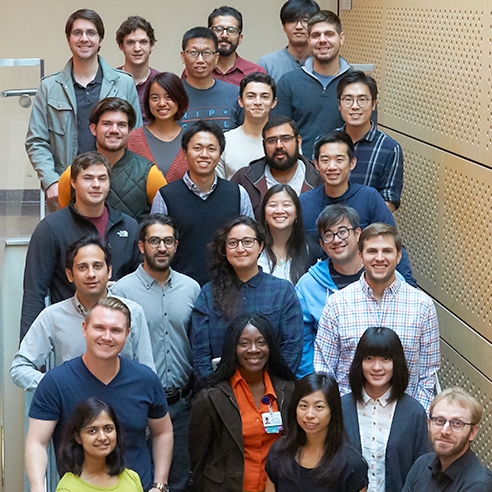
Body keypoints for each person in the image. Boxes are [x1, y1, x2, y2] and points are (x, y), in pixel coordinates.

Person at [25, 297, 173, 492]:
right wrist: (38, 488)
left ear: (127, 334)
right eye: (99, 328)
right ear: (84, 329)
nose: (107, 337)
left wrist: (159, 485)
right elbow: (37, 442)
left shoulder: (145, 379)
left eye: (116, 330)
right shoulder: (55, 382)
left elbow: (163, 432)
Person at [111, 214, 201, 492]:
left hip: (181, 404)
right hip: (136, 405)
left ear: (176, 245)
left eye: (168, 241)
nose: (161, 248)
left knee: (178, 481)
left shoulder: (192, 288)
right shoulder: (121, 291)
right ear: (141, 246)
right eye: (154, 241)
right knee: (134, 479)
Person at [314, 223, 440, 412]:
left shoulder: (422, 306)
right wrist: (340, 417)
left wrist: (413, 418)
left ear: (398, 256)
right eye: (372, 251)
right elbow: (324, 372)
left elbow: (427, 376)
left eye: (387, 251)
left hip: (404, 416)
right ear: (360, 255)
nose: (379, 258)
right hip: (348, 416)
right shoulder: (337, 304)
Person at [25, 9, 141, 210]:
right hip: (67, 187)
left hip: (117, 186)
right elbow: (36, 141)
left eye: (91, 33)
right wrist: (51, 181)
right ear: (68, 40)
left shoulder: (124, 83)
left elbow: (136, 137)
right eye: (77, 33)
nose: (84, 39)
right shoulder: (50, 87)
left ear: (100, 40)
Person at [20, 151, 140, 340]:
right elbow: (34, 293)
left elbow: (139, 285)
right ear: (73, 183)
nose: (96, 184)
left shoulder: (129, 226)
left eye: (102, 178)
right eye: (88, 178)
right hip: (68, 335)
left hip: (116, 335)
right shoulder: (50, 229)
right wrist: (30, 350)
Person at [11, 236, 154, 392]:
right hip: (72, 405)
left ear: (109, 271)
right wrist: (57, 387)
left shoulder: (133, 312)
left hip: (122, 402)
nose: (91, 274)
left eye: (97, 266)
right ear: (70, 274)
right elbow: (20, 368)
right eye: (82, 267)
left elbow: (147, 373)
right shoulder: (52, 316)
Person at [189, 313, 296, 491]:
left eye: (261, 342)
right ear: (233, 347)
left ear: (271, 346)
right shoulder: (211, 396)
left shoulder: (288, 391)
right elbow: (198, 458)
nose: (254, 349)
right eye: (244, 343)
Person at [190, 216, 303, 380]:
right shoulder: (208, 293)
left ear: (261, 246)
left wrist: (271, 388)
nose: (240, 249)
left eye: (247, 242)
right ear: (225, 249)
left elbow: (292, 347)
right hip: (220, 389)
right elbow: (200, 353)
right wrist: (214, 390)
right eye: (233, 243)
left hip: (271, 390)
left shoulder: (283, 291)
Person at [299, 130, 415, 285]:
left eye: (339, 160)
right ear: (317, 164)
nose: (332, 166)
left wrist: (409, 286)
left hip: (368, 285)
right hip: (320, 286)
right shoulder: (304, 203)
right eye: (325, 160)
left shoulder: (369, 198)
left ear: (352, 163)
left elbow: (392, 243)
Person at [151, 120, 253, 286]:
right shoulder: (165, 196)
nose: (204, 154)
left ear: (220, 155)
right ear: (185, 153)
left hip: (230, 288)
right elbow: (156, 247)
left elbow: (250, 244)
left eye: (211, 149)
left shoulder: (238, 194)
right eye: (197, 148)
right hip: (179, 289)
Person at [342, 327, 430, 492]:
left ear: (396, 363)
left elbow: (423, 470)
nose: (377, 367)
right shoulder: (341, 408)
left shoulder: (414, 412)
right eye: (369, 358)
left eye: (385, 359)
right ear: (359, 362)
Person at [57, 97, 167, 222]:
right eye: (107, 124)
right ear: (93, 129)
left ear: (130, 131)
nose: (114, 130)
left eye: (121, 125)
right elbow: (61, 223)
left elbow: (164, 226)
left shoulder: (150, 174)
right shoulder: (72, 174)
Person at [265, 373, 368, 491]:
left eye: (319, 407)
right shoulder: (278, 452)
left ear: (333, 410)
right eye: (303, 406)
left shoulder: (352, 464)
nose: (309, 415)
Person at [273, 10, 352, 158]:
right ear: (308, 40)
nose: (322, 40)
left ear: (341, 38)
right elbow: (280, 135)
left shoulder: (357, 83)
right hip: (301, 169)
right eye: (316, 35)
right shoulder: (288, 82)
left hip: (344, 168)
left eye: (329, 34)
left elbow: (366, 134)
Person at [295, 205, 363, 377]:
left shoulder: (383, 276)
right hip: (328, 382)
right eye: (328, 235)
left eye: (342, 232)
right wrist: (315, 384)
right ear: (322, 244)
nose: (336, 240)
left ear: (358, 234)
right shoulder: (307, 286)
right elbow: (302, 345)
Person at [336, 71, 403, 212]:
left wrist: (353, 222)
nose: (355, 106)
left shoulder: (389, 148)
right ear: (339, 104)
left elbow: (389, 201)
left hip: (367, 224)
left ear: (373, 104)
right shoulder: (325, 142)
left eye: (362, 100)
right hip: (327, 223)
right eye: (348, 99)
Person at [231, 115, 323, 219]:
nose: (279, 145)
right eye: (271, 140)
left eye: (286, 139)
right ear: (264, 145)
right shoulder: (244, 179)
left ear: (298, 142)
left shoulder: (319, 178)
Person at [403, 388, 492, 491]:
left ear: (473, 432)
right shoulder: (421, 464)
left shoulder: (478, 485)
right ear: (429, 424)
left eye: (457, 423)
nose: (445, 431)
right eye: (439, 420)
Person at [56, 398, 143, 491]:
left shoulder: (132, 479)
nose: (102, 437)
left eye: (108, 429)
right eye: (92, 431)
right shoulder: (68, 488)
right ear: (78, 437)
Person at [127, 72, 190, 182]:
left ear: (180, 99)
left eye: (168, 97)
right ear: (147, 101)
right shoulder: (131, 139)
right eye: (155, 98)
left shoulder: (192, 140)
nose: (161, 103)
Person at [216, 72, 277, 180]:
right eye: (251, 96)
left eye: (264, 97)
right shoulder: (225, 141)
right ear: (240, 101)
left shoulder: (285, 142)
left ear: (273, 102)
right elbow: (218, 186)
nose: (258, 102)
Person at [179, 27, 239, 130]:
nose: (200, 60)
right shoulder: (172, 95)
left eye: (207, 53)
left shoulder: (235, 94)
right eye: (193, 52)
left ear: (216, 58)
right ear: (183, 56)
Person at [258, 184, 313, 284]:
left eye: (286, 205)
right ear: (264, 213)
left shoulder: (310, 249)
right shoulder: (255, 249)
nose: (279, 211)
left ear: (296, 213)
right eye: (273, 205)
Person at [258, 0, 320, 82]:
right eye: (292, 21)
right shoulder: (267, 65)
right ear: (284, 27)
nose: (298, 27)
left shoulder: (325, 63)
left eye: (305, 21)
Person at [205, 6, 267, 85]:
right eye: (218, 29)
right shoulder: (195, 72)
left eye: (231, 30)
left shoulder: (256, 73)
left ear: (240, 38)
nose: (224, 35)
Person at [116, 16, 159, 125]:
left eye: (143, 42)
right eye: (130, 42)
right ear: (121, 46)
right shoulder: (110, 81)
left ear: (152, 45)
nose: (137, 48)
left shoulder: (161, 82)